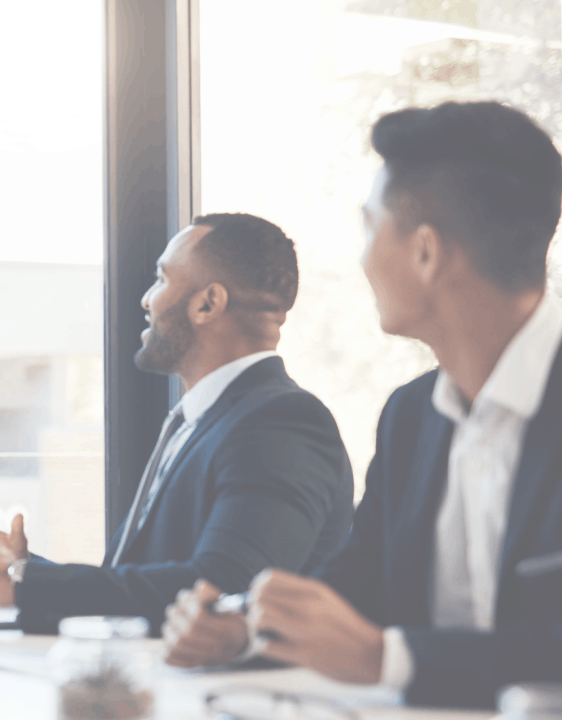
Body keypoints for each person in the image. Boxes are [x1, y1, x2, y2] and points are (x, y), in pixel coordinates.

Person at [162, 101, 562, 708]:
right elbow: (358, 587)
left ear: (425, 253)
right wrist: (245, 631)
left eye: (369, 228)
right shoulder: (411, 416)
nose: (362, 260)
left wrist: (387, 659)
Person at [0, 213, 354, 633]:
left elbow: (222, 589)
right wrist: (21, 567)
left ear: (208, 304)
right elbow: (147, 577)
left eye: (161, 279)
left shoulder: (281, 423)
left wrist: (20, 584)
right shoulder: (203, 419)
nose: (146, 299)